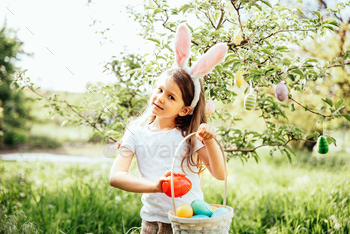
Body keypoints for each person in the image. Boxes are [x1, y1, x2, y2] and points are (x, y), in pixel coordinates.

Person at [109, 24, 228, 234]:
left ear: (184, 110)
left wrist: (209, 141)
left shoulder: (190, 136)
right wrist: (156, 186)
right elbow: (116, 176)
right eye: (160, 89)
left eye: (171, 96)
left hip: (190, 221)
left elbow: (220, 174)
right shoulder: (135, 132)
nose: (161, 97)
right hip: (152, 223)